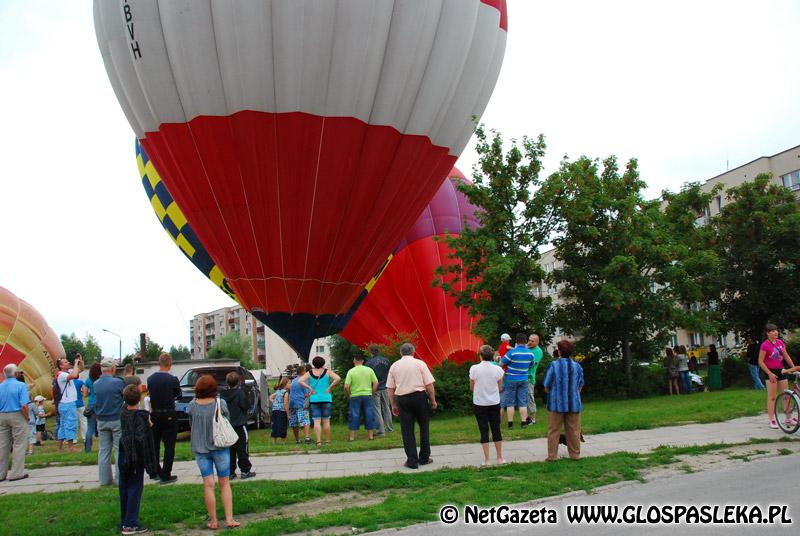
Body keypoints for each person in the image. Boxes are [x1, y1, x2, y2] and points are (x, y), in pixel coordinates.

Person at [187, 375, 239, 530]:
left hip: (200, 449)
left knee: (208, 485)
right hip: (220, 447)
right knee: (224, 483)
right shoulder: (220, 403)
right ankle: (229, 519)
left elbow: (191, 423)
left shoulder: (192, 405)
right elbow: (227, 419)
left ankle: (214, 521)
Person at [387, 343, 437, 469]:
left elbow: (390, 388)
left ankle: (412, 460)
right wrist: (433, 400)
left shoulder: (394, 366)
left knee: (407, 430)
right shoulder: (420, 364)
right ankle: (424, 458)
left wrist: (393, 404)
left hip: (403, 399)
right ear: (413, 352)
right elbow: (429, 385)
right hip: (419, 397)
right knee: (424, 427)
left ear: (400, 353)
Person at [118, 384, 158, 534]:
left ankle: (124, 520)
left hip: (124, 454)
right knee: (135, 488)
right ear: (139, 398)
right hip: (136, 456)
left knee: (124, 487)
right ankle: (130, 523)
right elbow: (144, 440)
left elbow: (127, 406)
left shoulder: (123, 413)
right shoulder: (142, 417)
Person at [543, 340, 584, 461]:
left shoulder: (554, 365)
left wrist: (551, 392)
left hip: (556, 404)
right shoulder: (577, 366)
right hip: (574, 403)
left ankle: (552, 456)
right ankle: (575, 455)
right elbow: (580, 385)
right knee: (574, 430)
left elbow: (546, 385)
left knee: (553, 430)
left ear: (559, 352)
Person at [146, 353, 181, 484]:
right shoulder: (173, 379)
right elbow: (177, 394)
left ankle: (156, 471)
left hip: (155, 414)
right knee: (169, 445)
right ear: (170, 364)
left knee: (155, 445)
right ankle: (166, 473)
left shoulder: (150, 379)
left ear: (158, 363)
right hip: (169, 414)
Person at [470, 345, 505, 466]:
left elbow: (472, 387)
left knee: (483, 430)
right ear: (493, 356)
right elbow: (500, 388)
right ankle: (500, 458)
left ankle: (487, 460)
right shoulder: (498, 370)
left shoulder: (474, 368)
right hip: (494, 402)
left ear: (480, 356)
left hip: (479, 403)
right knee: (496, 429)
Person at [758, 323, 796, 429]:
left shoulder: (780, 342)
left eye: (776, 330)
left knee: (786, 395)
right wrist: (770, 374)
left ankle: (788, 417)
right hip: (770, 372)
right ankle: (772, 420)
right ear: (767, 333)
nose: (776, 332)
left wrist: (793, 368)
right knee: (772, 397)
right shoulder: (765, 345)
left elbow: (786, 356)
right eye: (773, 331)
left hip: (781, 370)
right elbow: (760, 361)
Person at [95, 358, 125, 486]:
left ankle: (104, 480)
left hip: (101, 420)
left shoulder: (96, 384)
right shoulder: (118, 382)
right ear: (113, 368)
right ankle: (120, 479)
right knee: (119, 450)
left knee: (104, 451)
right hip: (116, 419)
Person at [220, 372, 255, 479]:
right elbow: (246, 406)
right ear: (238, 381)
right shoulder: (240, 393)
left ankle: (230, 472)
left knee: (229, 449)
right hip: (239, 424)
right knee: (242, 448)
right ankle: (245, 470)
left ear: (227, 382)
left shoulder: (222, 395)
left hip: (227, 426)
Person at [299, 356, 341, 446]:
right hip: (326, 398)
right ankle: (327, 441)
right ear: (323, 363)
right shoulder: (327, 372)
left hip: (314, 399)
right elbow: (338, 378)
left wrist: (309, 387)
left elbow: (300, 381)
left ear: (314, 364)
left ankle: (318, 442)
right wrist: (329, 387)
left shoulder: (309, 373)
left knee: (316, 421)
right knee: (326, 421)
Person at [0, 364, 30, 481]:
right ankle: (16, 473)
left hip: (2, 415)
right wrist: (27, 417)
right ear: (16, 374)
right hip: (17, 414)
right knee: (19, 444)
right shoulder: (21, 385)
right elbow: (24, 405)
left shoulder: (0, 386)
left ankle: (1, 473)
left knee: (2, 445)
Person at [500, 333, 535, 428]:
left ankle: (510, 424)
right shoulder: (530, 353)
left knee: (510, 402)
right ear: (525, 341)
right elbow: (531, 365)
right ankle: (523, 423)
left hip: (510, 379)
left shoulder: (512, 352)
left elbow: (501, 363)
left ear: (516, 341)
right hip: (524, 379)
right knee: (523, 402)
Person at [344, 354, 379, 441]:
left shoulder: (351, 371)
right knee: (369, 414)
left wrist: (349, 395)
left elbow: (346, 386)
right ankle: (370, 436)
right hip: (367, 395)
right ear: (363, 361)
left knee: (354, 415)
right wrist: (371, 392)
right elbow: (376, 383)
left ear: (354, 361)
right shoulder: (369, 370)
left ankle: (352, 437)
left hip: (355, 396)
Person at [55, 356, 84, 451]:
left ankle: (60, 448)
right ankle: (71, 447)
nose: (68, 363)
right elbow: (75, 375)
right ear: (61, 366)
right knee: (71, 423)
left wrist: (80, 361)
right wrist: (75, 363)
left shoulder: (64, 373)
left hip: (64, 404)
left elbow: (81, 369)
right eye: (65, 362)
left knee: (63, 425)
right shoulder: (62, 375)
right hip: (68, 403)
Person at [366, 344, 393, 435]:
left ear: (370, 351)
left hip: (375, 388)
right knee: (387, 408)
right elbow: (390, 373)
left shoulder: (369, 363)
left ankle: (381, 430)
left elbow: (369, 377)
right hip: (386, 387)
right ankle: (389, 428)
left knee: (377, 409)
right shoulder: (386, 360)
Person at [288, 367, 312, 444]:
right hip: (300, 403)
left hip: (292, 404)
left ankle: (297, 440)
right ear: (302, 372)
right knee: (305, 421)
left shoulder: (293, 381)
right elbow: (306, 394)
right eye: (305, 371)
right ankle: (307, 438)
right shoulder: (303, 380)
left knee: (294, 423)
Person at [83, 362, 102, 452]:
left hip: (91, 405)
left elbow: (85, 394)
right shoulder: (102, 379)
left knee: (90, 428)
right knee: (103, 426)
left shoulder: (88, 380)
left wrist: (91, 392)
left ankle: (87, 449)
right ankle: (104, 447)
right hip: (102, 404)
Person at [525, 334, 544, 424]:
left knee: (530, 397)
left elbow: (531, 364)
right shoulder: (527, 348)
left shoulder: (538, 351)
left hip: (529, 378)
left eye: (532, 341)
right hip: (521, 376)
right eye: (529, 340)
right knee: (523, 398)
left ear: (537, 342)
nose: (530, 342)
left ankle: (533, 419)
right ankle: (525, 418)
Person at [269, 378, 290, 445]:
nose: (290, 384)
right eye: (289, 383)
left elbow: (271, 397)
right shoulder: (285, 393)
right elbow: (286, 404)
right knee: (283, 426)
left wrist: (275, 403)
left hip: (275, 411)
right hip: (282, 411)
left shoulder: (278, 391)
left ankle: (273, 443)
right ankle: (283, 442)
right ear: (285, 384)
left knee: (274, 426)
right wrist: (288, 414)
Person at [73, 375, 86, 444]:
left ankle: (74, 438)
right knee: (83, 420)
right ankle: (85, 437)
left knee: (73, 421)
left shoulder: (69, 382)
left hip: (72, 404)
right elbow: (84, 390)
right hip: (80, 403)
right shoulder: (80, 382)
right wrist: (83, 395)